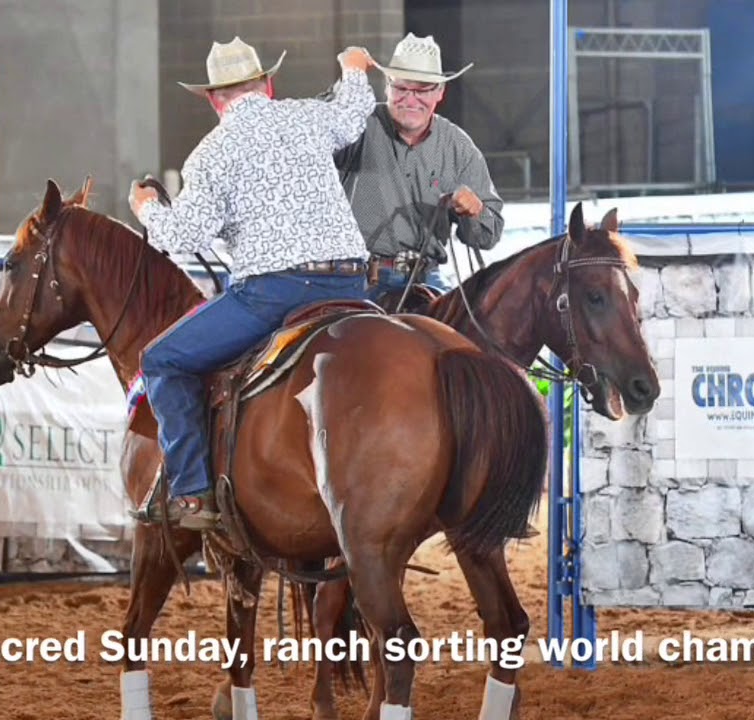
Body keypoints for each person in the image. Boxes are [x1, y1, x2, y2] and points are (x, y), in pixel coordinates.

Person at [126, 38, 378, 530]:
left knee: (161, 360)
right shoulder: (307, 115)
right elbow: (353, 114)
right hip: (352, 285)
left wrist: (146, 208)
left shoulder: (211, 153)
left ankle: (194, 494)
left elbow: (184, 236)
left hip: (275, 292)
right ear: (268, 84)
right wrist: (353, 69)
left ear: (212, 98)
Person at [330, 33, 504, 304]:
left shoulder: (458, 147)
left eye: (422, 89)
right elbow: (316, 127)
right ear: (387, 86)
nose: (411, 100)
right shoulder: (357, 127)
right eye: (401, 88)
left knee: (463, 341)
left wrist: (476, 210)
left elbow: (488, 235)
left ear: (439, 92)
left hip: (426, 279)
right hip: (356, 279)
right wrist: (349, 78)